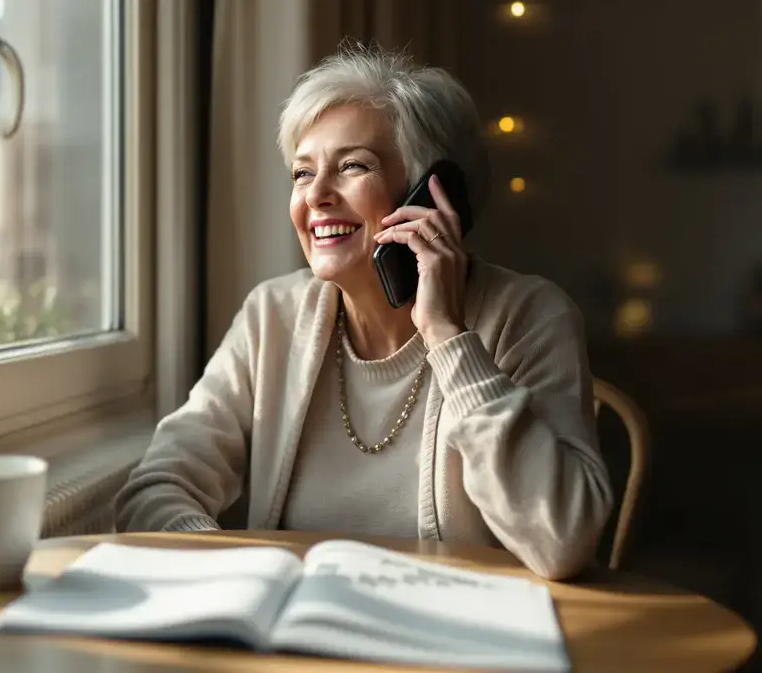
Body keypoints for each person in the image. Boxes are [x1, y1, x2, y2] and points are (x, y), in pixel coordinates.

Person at [114, 45, 613, 580]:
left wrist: (448, 336)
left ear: (434, 193)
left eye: (353, 165)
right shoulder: (273, 316)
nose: (318, 197)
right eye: (303, 174)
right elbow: (155, 488)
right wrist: (233, 569)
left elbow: (563, 539)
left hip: (456, 644)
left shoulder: (531, 316)